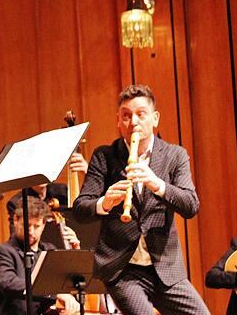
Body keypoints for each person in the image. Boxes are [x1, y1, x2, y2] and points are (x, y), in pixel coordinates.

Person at [73, 84, 209, 315]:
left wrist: (158, 185)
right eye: (126, 116)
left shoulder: (175, 155)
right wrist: (104, 204)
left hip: (164, 266)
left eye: (140, 114)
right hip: (122, 269)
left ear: (154, 118)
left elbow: (191, 205)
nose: (133, 122)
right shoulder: (104, 156)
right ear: (118, 121)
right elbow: (80, 208)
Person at [0, 196, 81, 315]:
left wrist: (75, 251)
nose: (31, 232)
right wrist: (55, 293)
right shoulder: (3, 251)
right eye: (26, 225)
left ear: (43, 224)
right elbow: (8, 283)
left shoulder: (50, 250)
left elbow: (67, 282)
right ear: (15, 220)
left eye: (36, 226)